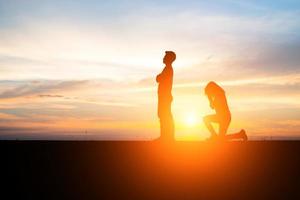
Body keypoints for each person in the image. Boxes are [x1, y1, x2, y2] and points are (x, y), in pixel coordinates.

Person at [156, 51, 176, 141]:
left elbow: (159, 78)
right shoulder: (167, 68)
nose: (163, 58)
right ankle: (165, 136)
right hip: (164, 96)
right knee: (163, 115)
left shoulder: (168, 69)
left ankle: (167, 137)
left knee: (165, 115)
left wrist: (159, 77)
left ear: (169, 58)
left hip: (165, 96)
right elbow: (158, 78)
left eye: (165, 56)